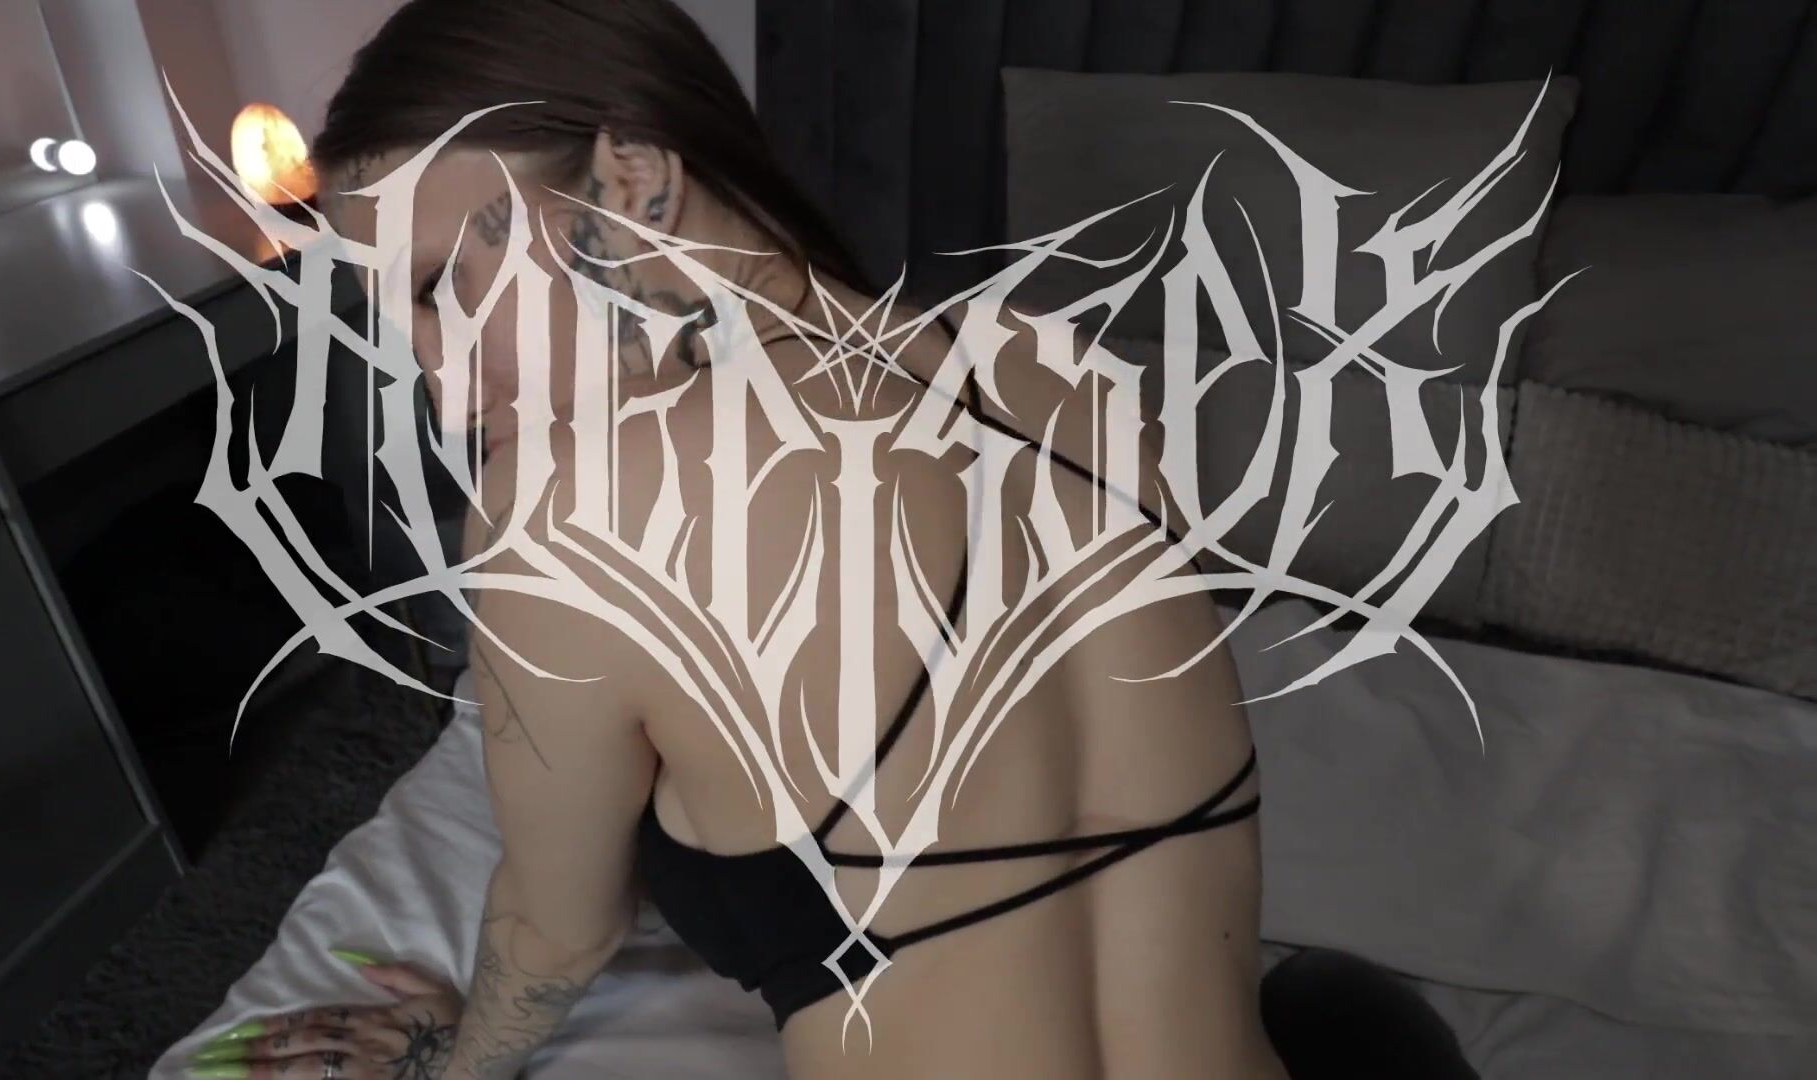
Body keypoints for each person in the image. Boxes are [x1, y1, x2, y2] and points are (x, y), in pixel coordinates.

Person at [183, 2, 1471, 1077]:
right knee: (1336, 1005)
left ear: (632, 178)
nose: (452, 397)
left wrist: (445, 1062)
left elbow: (555, 928)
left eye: (441, 289)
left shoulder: (566, 508)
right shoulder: (1064, 371)